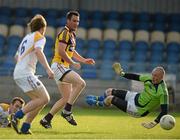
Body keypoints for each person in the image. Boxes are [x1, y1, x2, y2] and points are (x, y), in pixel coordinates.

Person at [40, 10, 95, 128]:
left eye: (78, 21)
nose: (76, 23)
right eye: (74, 21)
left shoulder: (72, 34)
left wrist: (84, 60)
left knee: (66, 98)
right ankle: (67, 111)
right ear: (68, 21)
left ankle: (46, 119)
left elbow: (71, 51)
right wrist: (73, 63)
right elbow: (61, 51)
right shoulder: (65, 33)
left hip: (62, 67)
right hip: (59, 66)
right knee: (81, 83)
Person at [86, 62, 169, 129]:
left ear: (162, 77)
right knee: (109, 91)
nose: (153, 77)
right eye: (153, 75)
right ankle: (99, 98)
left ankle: (97, 103)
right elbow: (134, 77)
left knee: (110, 99)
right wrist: (122, 73)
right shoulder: (149, 78)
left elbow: (164, 111)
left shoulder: (163, 92)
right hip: (135, 96)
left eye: (156, 76)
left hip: (138, 110)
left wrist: (154, 122)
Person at [11, 14, 54, 134]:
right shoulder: (39, 37)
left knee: (39, 101)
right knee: (45, 98)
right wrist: (48, 69)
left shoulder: (27, 37)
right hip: (25, 73)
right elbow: (38, 51)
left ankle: (25, 127)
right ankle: (17, 116)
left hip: (18, 73)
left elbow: (16, 57)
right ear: (43, 27)